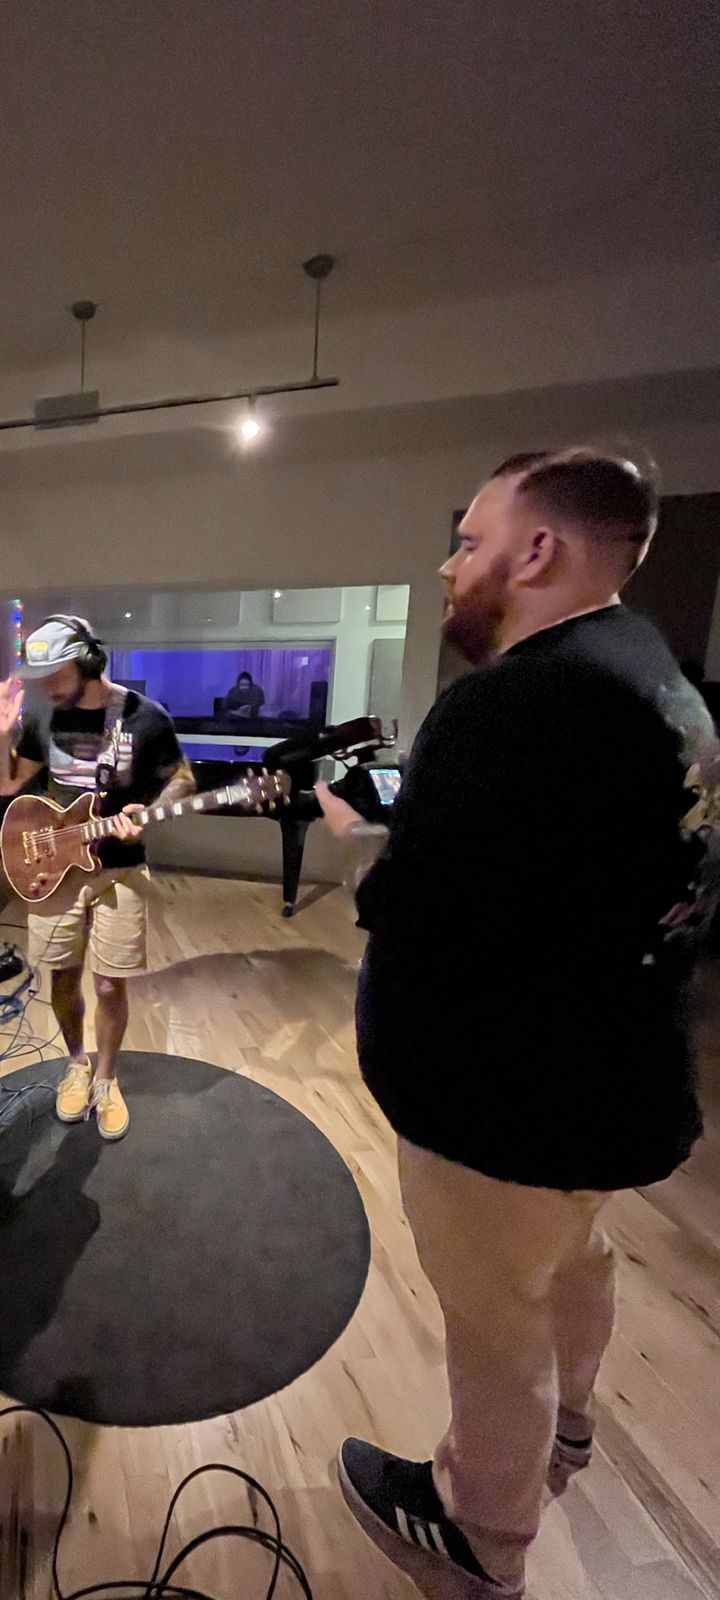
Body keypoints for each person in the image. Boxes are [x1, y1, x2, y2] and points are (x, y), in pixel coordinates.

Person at [316, 450, 719, 1599]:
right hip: (615, 1077)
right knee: (576, 1258)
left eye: (470, 540)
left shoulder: (511, 701)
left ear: (537, 550)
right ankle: (573, 1420)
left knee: (494, 1320)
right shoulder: (663, 679)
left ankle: (478, 1533)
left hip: (505, 1100)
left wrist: (361, 831)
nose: (451, 567)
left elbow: (413, 907)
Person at [0, 615, 195, 1140]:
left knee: (108, 981)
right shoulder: (43, 716)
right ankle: (76, 1063)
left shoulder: (144, 717)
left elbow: (184, 779)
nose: (47, 687)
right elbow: (4, 783)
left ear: (88, 661)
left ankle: (106, 1077)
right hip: (56, 867)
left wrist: (149, 812)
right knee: (62, 975)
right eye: (41, 677)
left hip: (120, 868)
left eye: (56, 674)